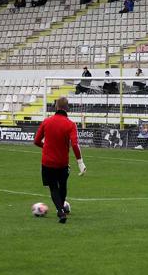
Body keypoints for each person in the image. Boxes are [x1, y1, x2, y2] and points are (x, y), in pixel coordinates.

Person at [33, 96, 86, 224]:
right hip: (62, 162)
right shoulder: (70, 124)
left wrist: (45, 147)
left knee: (53, 187)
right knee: (63, 186)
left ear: (56, 107)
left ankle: (61, 212)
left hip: (47, 162)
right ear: (67, 108)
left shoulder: (46, 121)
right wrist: (80, 162)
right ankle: (60, 209)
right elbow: (74, 144)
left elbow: (36, 141)